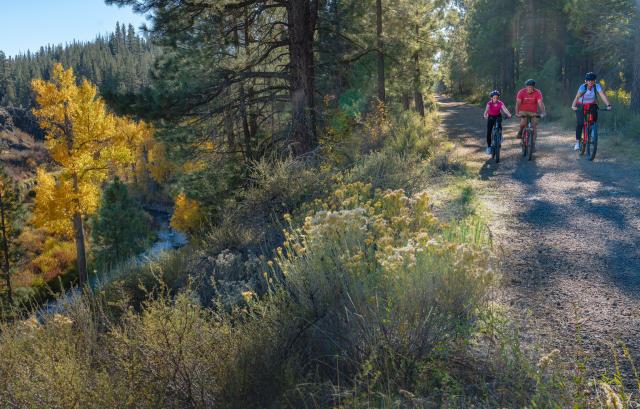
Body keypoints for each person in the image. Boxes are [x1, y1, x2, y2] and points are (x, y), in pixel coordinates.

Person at [571, 72, 612, 151]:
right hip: (581, 105)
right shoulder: (583, 87)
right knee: (580, 123)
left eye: (592, 80)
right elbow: (577, 97)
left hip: (592, 105)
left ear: (594, 81)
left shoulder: (597, 86)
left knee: (594, 120)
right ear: (585, 81)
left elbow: (602, 95)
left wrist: (608, 105)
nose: (590, 82)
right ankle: (577, 142)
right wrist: (573, 106)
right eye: (588, 80)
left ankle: (592, 131)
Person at [483, 90, 512, 155]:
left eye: (497, 97)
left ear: (498, 98)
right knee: (489, 132)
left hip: (498, 116)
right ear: (491, 98)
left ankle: (499, 137)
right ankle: (489, 147)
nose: (495, 99)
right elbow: (486, 110)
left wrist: (509, 114)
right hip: (490, 117)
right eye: (494, 97)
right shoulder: (489, 103)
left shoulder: (500, 103)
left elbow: (505, 109)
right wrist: (485, 115)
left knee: (499, 128)